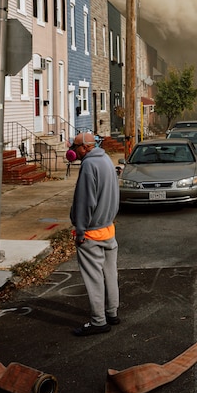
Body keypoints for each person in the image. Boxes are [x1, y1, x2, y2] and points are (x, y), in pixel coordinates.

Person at [68, 131, 121, 336]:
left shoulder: (89, 165)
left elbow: (84, 202)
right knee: (110, 273)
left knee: (94, 278)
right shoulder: (107, 159)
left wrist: (80, 231)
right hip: (109, 229)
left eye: (75, 147)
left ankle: (99, 321)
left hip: (91, 233)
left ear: (84, 148)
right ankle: (112, 313)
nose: (73, 151)